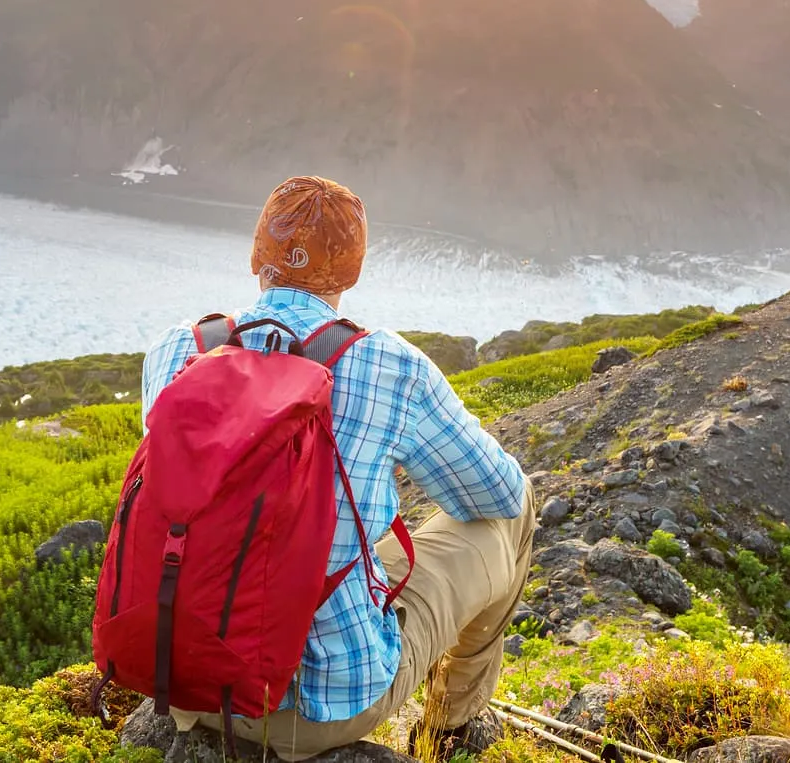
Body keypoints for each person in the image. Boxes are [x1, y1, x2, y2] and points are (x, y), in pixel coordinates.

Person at [140, 175, 534, 761]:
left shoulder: (181, 347)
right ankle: (451, 728)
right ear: (351, 271)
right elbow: (495, 493)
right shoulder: (390, 365)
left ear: (256, 255)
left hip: (185, 682)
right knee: (514, 517)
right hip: (314, 710)